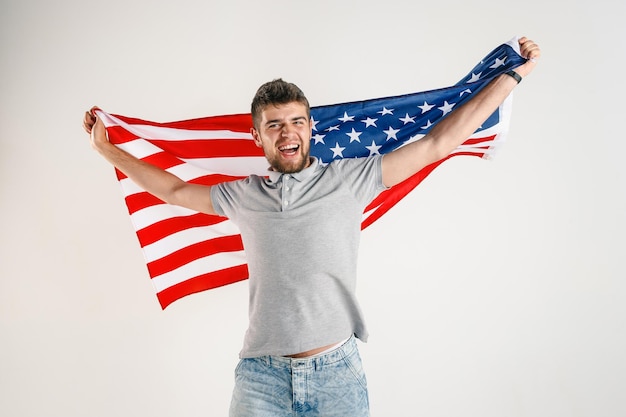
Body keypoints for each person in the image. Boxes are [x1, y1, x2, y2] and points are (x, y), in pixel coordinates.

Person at [83, 37, 540, 417]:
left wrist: (511, 77)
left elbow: (439, 141)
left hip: (336, 374)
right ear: (257, 135)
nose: (288, 133)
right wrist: (110, 152)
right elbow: (176, 192)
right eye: (275, 125)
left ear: (310, 128)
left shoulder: (350, 178)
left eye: (297, 122)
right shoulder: (243, 195)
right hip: (261, 378)